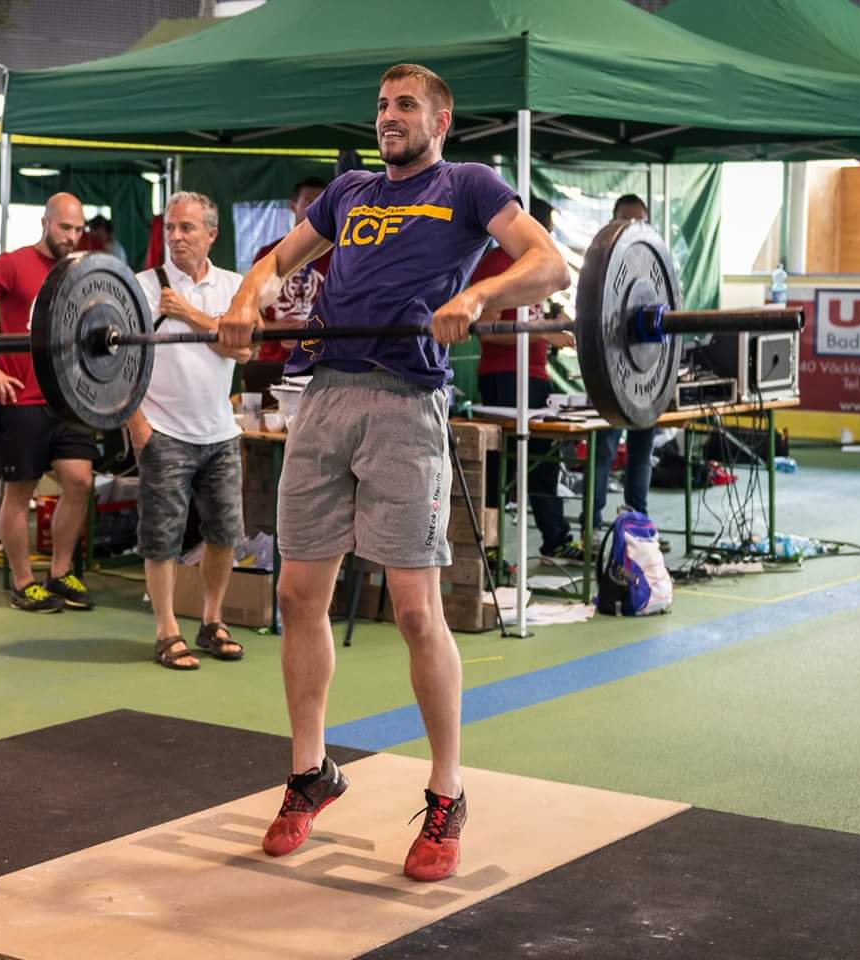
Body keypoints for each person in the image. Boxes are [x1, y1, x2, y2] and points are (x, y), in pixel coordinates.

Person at [219, 63, 569, 882]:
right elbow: (274, 263)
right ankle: (311, 772)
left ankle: (447, 793)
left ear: (440, 120)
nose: (389, 116)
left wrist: (478, 298)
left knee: (415, 609)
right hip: (323, 396)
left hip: (407, 404)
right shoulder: (348, 193)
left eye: (406, 105)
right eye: (381, 105)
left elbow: (550, 265)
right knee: (296, 595)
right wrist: (243, 300)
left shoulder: (468, 186)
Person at [0, 193, 96, 613]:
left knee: (80, 481)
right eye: (64, 227)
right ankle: (23, 583)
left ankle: (60, 573)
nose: (71, 236)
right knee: (20, 493)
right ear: (45, 224)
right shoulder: (13, 264)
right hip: (19, 397)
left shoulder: (80, 271)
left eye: (78, 229)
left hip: (68, 399)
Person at [127, 192, 250, 670]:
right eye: (171, 228)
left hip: (220, 432)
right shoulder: (141, 287)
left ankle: (212, 621)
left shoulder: (235, 286)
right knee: (162, 538)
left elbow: (243, 351)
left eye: (187, 228)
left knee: (225, 533)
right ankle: (166, 630)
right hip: (163, 432)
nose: (176, 237)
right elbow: (119, 361)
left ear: (211, 234)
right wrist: (138, 425)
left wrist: (189, 314)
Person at [472, 198, 584, 564]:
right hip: (504, 377)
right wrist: (542, 333)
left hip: (535, 376)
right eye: (544, 229)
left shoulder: (532, 267)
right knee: (498, 467)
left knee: (544, 462)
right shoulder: (497, 265)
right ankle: (489, 548)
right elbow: (486, 328)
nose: (547, 237)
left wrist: (551, 325)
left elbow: (532, 320)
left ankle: (556, 540)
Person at [591, 194, 656, 529]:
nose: (633, 227)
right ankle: (592, 526)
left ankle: (637, 524)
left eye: (640, 221)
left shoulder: (653, 262)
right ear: (612, 223)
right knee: (603, 452)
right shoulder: (602, 266)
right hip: (611, 374)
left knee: (641, 454)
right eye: (626, 220)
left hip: (644, 376)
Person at [243, 177, 330, 399]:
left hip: (320, 363)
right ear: (293, 205)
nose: (314, 208)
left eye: (320, 202)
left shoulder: (338, 255)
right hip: (271, 363)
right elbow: (249, 314)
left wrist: (310, 333)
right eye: (308, 201)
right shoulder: (268, 255)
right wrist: (277, 328)